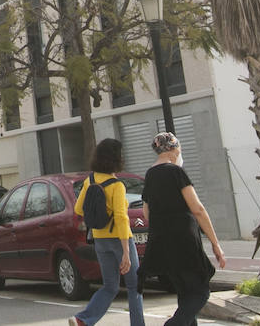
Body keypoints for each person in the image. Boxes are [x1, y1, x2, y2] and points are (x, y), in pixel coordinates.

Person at [141, 132, 227, 326]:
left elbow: (146, 211)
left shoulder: (150, 174)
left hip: (162, 241)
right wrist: (216, 244)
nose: (180, 151)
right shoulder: (176, 172)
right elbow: (198, 209)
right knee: (200, 292)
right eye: (179, 147)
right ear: (172, 148)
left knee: (185, 292)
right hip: (184, 239)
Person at [69, 138, 145, 326]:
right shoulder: (117, 185)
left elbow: (79, 209)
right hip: (120, 241)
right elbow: (121, 218)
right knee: (135, 286)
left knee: (110, 286)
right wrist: (126, 252)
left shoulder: (90, 180)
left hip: (100, 239)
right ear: (116, 158)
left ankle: (83, 319)